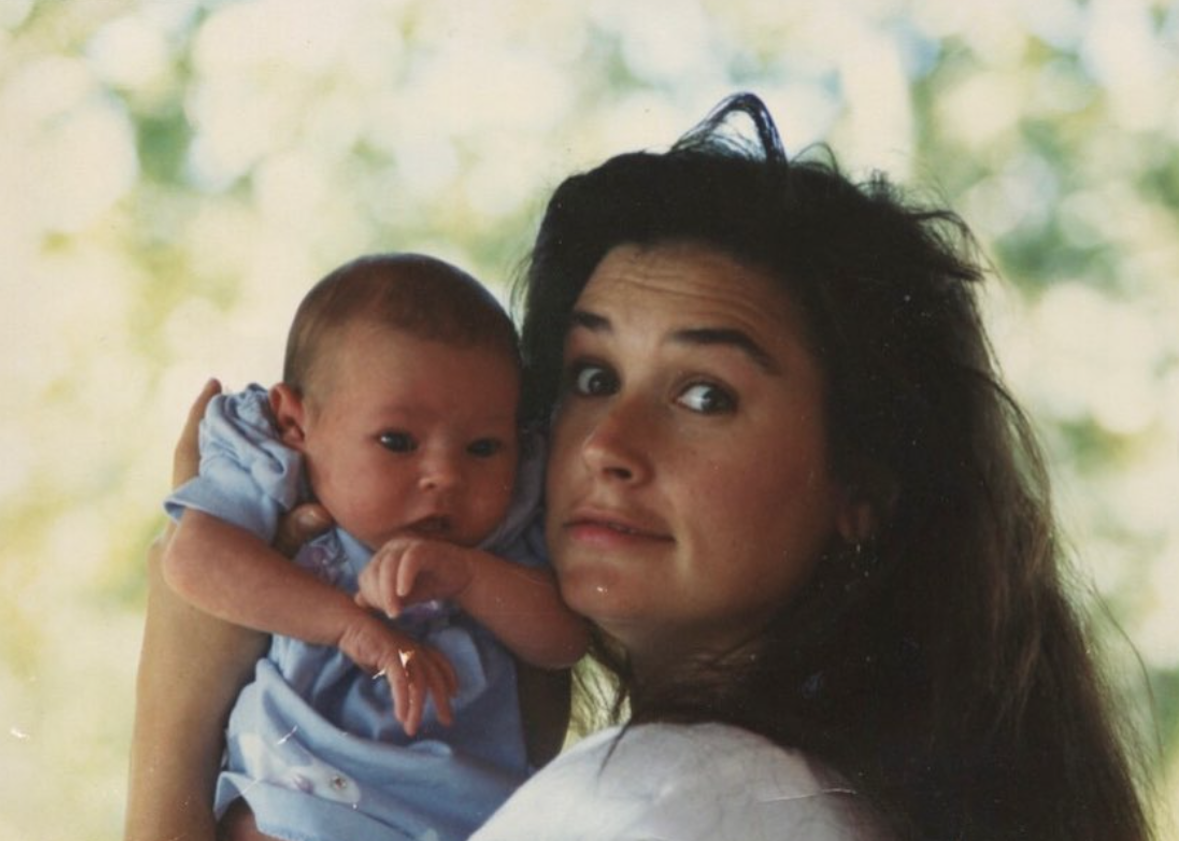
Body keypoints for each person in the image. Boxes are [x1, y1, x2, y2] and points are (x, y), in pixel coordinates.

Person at [127, 93, 1155, 841]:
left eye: (705, 393)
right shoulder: (791, 794)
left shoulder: (664, 804)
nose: (610, 448)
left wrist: (178, 700)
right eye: (586, 376)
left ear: (861, 490)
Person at [156, 253, 587, 841]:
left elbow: (563, 641)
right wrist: (347, 626)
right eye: (397, 440)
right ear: (296, 424)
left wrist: (470, 577)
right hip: (293, 799)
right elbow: (191, 558)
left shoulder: (504, 527)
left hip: (460, 820)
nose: (445, 475)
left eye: (484, 447)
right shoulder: (279, 473)